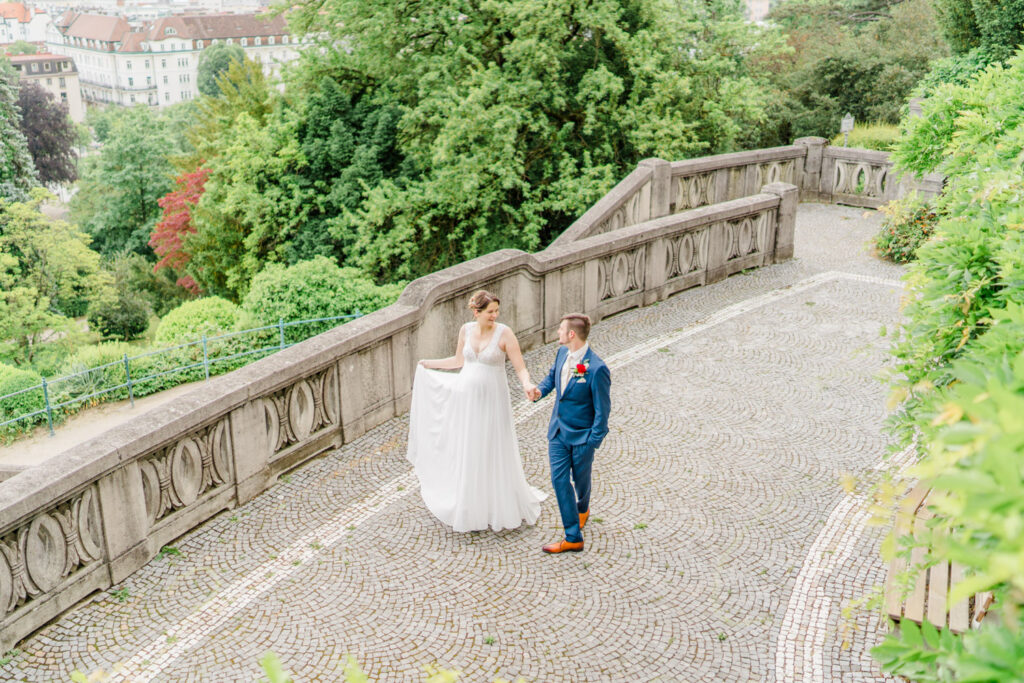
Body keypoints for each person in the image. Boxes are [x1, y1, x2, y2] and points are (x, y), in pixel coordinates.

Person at [407, 290, 546, 532]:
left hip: (493, 401)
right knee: (470, 447)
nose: (495, 315)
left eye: (496, 311)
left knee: (492, 446)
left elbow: (520, 368)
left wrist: (527, 384)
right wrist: (430, 364)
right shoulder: (466, 330)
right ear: (476, 312)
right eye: (490, 312)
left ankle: (497, 501)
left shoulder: (504, 333)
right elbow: (458, 362)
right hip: (467, 399)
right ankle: (471, 502)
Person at [529, 313, 611, 553]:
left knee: (581, 480)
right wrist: (539, 392)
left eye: (561, 329)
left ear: (571, 334)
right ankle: (573, 536)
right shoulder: (562, 353)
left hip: (582, 437)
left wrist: (591, 442)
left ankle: (583, 507)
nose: (557, 333)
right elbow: (552, 378)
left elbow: (602, 412)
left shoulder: (597, 369)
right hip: (557, 432)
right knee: (559, 480)